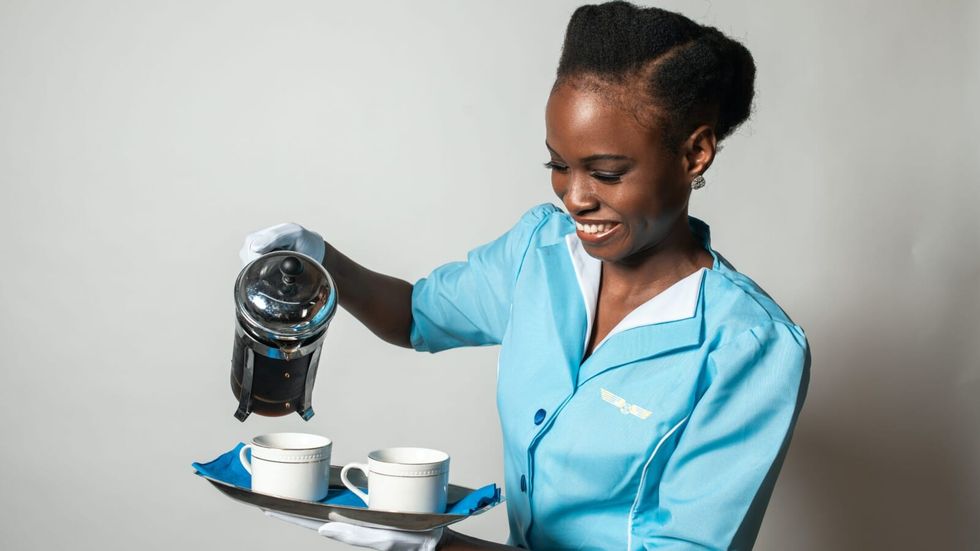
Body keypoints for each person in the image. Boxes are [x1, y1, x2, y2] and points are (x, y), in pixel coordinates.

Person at [242, 2, 809, 550]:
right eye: (558, 165)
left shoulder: (747, 346)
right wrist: (321, 260)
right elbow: (415, 315)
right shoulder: (540, 251)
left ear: (695, 153)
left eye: (607, 173)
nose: (575, 197)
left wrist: (438, 548)